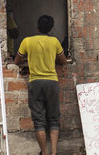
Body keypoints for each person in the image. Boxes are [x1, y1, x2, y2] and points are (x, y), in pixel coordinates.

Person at [15, 15, 67, 155]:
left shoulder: (27, 41)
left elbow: (17, 60)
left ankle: (44, 152)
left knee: (39, 121)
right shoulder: (54, 42)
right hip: (51, 82)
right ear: (50, 28)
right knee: (54, 119)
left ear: (37, 27)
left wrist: (29, 57)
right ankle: (54, 152)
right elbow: (63, 61)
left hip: (35, 83)